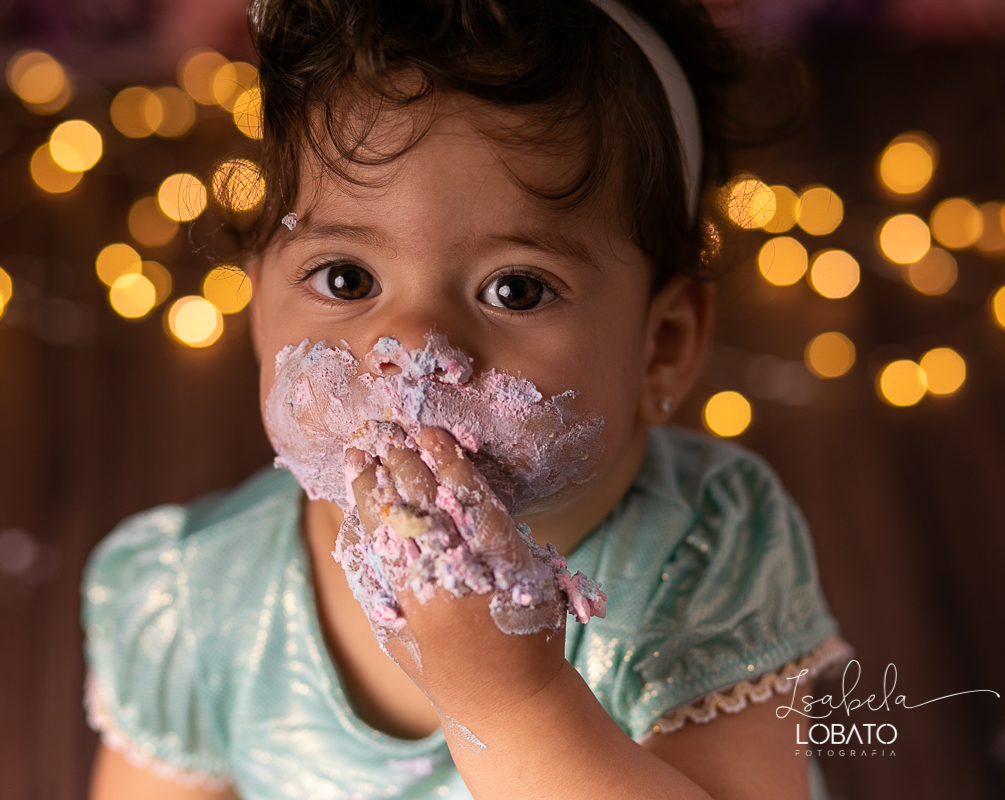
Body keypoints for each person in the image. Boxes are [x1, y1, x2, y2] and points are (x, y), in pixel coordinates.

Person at [83, 0, 852, 798]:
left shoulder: (706, 553)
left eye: (515, 288)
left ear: (661, 348)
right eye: (347, 279)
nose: (413, 342)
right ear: (257, 314)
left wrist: (514, 704)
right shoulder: (198, 593)